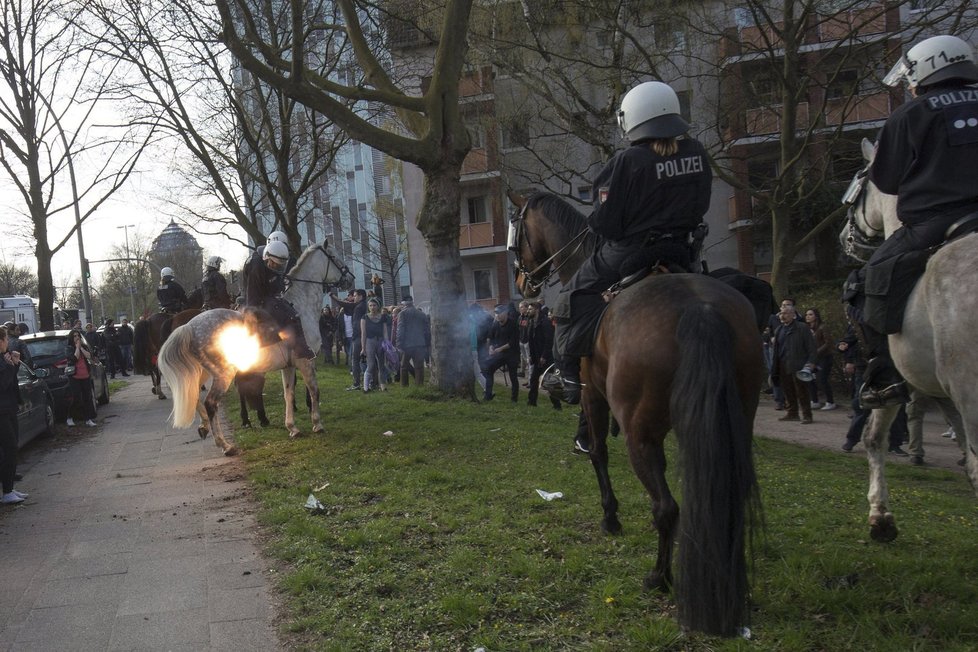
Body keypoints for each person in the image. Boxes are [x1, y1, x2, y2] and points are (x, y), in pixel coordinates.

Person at [552, 80, 712, 404]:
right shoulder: (696, 151)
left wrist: (596, 221)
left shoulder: (629, 160)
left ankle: (567, 373)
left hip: (632, 252)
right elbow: (703, 202)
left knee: (569, 298)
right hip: (683, 249)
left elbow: (608, 222)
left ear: (634, 119)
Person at [854, 34, 978, 409]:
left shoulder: (910, 114)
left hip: (937, 222)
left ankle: (885, 377)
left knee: (867, 280)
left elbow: (887, 181)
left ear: (924, 71)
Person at [243, 239, 315, 359]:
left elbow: (276, 285)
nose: (276, 267)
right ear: (267, 257)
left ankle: (300, 348)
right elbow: (253, 293)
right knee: (290, 316)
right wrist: (253, 314)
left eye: (280, 264)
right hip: (260, 300)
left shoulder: (270, 265)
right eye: (274, 263)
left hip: (267, 297)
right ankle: (300, 349)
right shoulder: (256, 266)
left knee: (293, 313)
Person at [770, 307, 817, 424]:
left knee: (802, 391)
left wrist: (811, 362)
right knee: (787, 390)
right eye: (781, 313)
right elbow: (776, 350)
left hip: (799, 364)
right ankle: (792, 413)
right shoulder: (779, 329)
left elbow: (811, 347)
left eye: (785, 313)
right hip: (782, 364)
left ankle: (807, 415)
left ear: (793, 315)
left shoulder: (802, 328)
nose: (782, 315)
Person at [0, 325, 26, 505]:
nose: (8, 342)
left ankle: (9, 488)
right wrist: (10, 367)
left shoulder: (4, 358)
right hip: (2, 411)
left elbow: (10, 383)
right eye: (6, 339)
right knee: (8, 448)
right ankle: (7, 491)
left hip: (9, 408)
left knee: (13, 446)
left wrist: (14, 366)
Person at [482, 304, 520, 402]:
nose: (497, 315)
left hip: (512, 354)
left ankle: (514, 399)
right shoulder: (495, 324)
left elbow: (513, 342)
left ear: (505, 313)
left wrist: (499, 349)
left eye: (499, 313)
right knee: (488, 368)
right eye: (496, 313)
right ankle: (488, 395)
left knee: (513, 376)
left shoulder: (513, 324)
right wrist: (490, 348)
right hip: (500, 354)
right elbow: (490, 337)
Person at [525, 301, 559, 409]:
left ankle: (557, 405)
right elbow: (530, 341)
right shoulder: (531, 323)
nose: (528, 311)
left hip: (546, 358)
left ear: (537, 310)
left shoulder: (545, 323)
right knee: (533, 380)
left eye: (530, 309)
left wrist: (544, 356)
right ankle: (532, 402)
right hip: (536, 357)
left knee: (548, 382)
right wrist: (530, 355)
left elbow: (549, 341)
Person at [331, 289, 367, 389]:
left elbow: (345, 304)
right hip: (360, 336)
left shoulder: (359, 306)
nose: (353, 298)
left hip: (358, 337)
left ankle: (356, 383)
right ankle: (371, 381)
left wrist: (332, 296)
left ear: (360, 296)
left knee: (355, 359)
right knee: (365, 360)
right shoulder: (361, 305)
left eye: (355, 296)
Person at [64, 329, 98, 428]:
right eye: (74, 336)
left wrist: (81, 347)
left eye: (78, 335)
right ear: (71, 338)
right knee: (76, 398)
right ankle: (70, 417)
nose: (77, 338)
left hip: (85, 375)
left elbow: (89, 356)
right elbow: (74, 358)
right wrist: (77, 348)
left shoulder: (83, 346)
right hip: (75, 376)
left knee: (87, 398)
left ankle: (88, 419)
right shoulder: (69, 348)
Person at [804, 308, 836, 410]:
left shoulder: (823, 327)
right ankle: (814, 401)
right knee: (809, 378)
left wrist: (816, 352)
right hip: (812, 358)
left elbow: (828, 343)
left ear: (816, 316)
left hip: (824, 357)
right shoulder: (807, 328)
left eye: (810, 314)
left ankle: (830, 402)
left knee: (821, 379)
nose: (807, 316)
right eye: (806, 315)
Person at [396, 296, 428, 387]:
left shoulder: (402, 314)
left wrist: (399, 344)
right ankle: (419, 386)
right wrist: (427, 343)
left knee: (404, 366)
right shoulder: (421, 314)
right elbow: (427, 330)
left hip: (407, 345)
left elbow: (400, 330)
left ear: (404, 303)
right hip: (420, 343)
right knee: (419, 367)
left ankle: (404, 386)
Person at [360, 298, 390, 392]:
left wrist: (387, 344)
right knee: (371, 364)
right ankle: (365, 387)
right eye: (370, 305)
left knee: (382, 364)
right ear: (368, 307)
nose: (372, 307)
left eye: (374, 305)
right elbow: (363, 333)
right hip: (369, 341)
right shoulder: (365, 317)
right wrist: (363, 348)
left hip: (380, 341)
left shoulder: (383, 317)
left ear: (378, 306)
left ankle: (382, 385)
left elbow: (385, 331)